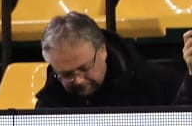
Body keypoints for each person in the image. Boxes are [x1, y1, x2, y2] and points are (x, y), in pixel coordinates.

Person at [35, 11, 192, 108]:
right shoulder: (50, 100)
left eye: (84, 68)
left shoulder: (154, 81)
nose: (79, 80)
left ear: (103, 50)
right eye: (66, 74)